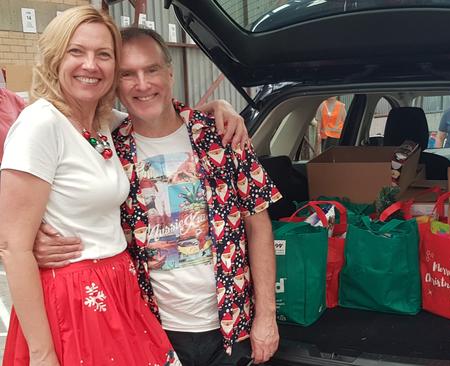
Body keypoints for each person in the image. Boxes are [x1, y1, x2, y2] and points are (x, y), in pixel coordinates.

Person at [35, 27, 281, 366]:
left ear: (169, 72)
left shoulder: (222, 136)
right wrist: (36, 239)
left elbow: (259, 225)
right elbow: (68, 206)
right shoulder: (106, 150)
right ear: (114, 84)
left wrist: (266, 317)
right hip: (148, 327)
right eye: (128, 74)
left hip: (230, 324)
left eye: (151, 70)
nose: (142, 84)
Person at [0, 6, 183, 365]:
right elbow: (13, 247)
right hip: (71, 298)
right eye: (76, 51)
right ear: (55, 58)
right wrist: (42, 353)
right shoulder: (40, 124)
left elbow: (156, 112)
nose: (91, 64)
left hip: (119, 285)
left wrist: (217, 108)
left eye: (103, 54)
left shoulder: (100, 121)